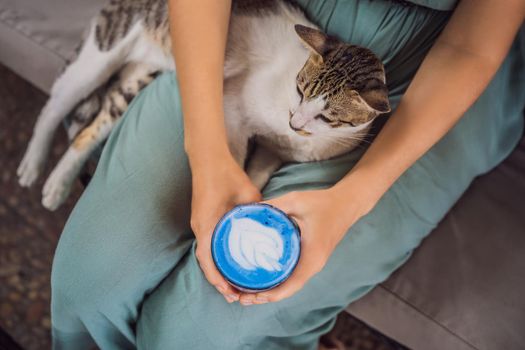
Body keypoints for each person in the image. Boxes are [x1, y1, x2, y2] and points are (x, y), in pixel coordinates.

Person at [50, 0, 525, 349]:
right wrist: (208, 150)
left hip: (433, 76)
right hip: (279, 26)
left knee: (192, 335)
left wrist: (347, 203)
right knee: (89, 278)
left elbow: (471, 47)